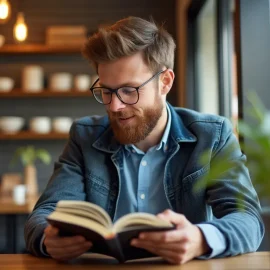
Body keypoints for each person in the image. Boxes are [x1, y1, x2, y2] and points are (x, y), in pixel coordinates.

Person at [24, 16, 264, 265]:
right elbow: (43, 214)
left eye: (129, 90)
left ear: (165, 82)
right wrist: (47, 239)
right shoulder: (84, 136)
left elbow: (247, 219)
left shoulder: (212, 136)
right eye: (106, 91)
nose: (115, 106)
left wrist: (200, 238)